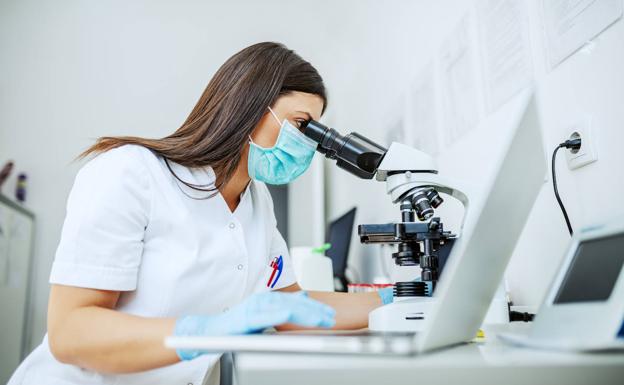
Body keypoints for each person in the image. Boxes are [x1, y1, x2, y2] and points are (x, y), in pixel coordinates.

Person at [8, 42, 394, 385]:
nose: (306, 145)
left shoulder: (257, 205)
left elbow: (295, 307)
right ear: (249, 104)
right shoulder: (131, 173)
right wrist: (206, 330)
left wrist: (402, 299)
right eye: (300, 125)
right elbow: (71, 332)